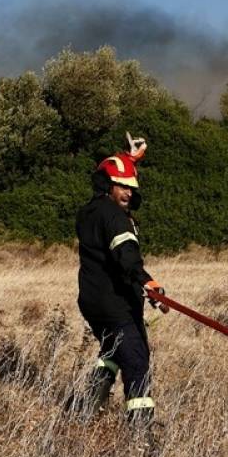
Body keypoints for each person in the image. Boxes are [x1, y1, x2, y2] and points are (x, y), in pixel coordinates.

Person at [75, 134, 167, 426]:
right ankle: (141, 433)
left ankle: (85, 412)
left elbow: (112, 170)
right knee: (136, 360)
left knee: (111, 352)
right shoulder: (116, 218)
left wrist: (130, 158)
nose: (128, 193)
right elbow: (126, 255)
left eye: (131, 188)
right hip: (116, 305)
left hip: (92, 302)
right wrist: (147, 282)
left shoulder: (89, 212)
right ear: (107, 187)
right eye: (121, 187)